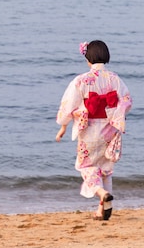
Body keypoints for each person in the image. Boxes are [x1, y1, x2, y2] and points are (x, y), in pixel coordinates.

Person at [55, 40, 132, 220]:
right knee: (105, 168)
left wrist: (63, 125)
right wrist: (116, 116)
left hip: (89, 130)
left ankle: (101, 193)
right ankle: (105, 207)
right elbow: (126, 101)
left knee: (86, 166)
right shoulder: (115, 79)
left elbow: (68, 105)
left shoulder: (81, 80)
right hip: (109, 130)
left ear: (88, 59)